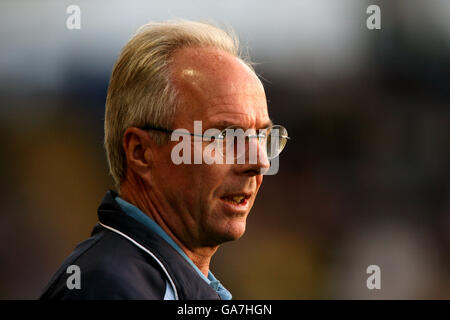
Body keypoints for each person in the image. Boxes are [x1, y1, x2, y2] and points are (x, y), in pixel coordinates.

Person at [40, 19, 289, 300]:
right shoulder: (107, 289)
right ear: (141, 153)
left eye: (262, 136)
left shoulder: (161, 282)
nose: (259, 162)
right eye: (224, 136)